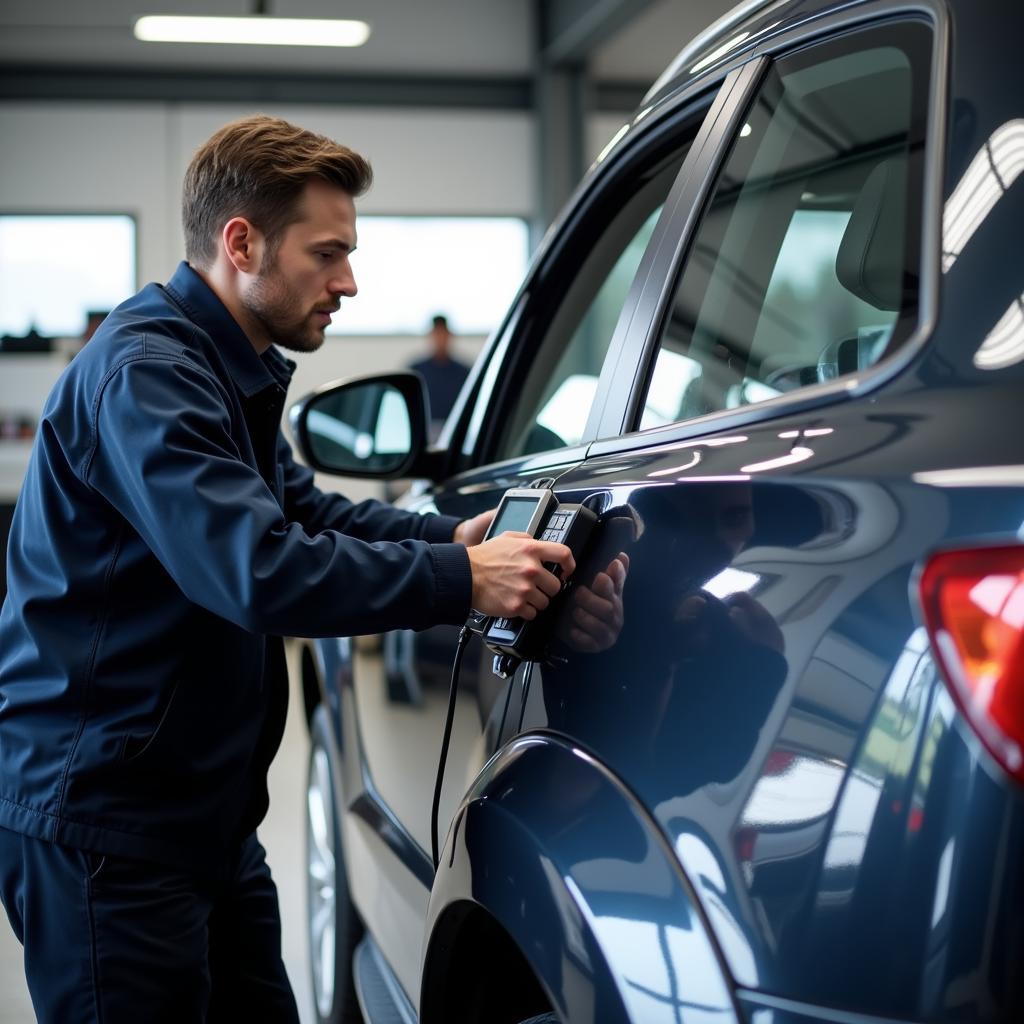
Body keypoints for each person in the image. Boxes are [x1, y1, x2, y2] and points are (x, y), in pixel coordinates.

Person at [0, 114, 574, 1024]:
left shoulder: (232, 367)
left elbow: (301, 512)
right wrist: (462, 585)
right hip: (108, 829)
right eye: (328, 253)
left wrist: (445, 541)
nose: (348, 282)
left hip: (204, 821)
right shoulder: (147, 372)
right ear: (242, 243)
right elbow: (259, 569)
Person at [408, 313, 470, 439]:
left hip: (456, 429)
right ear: (431, 336)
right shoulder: (417, 370)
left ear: (449, 336)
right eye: (437, 334)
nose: (440, 339)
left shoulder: (464, 371)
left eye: (443, 334)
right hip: (426, 430)